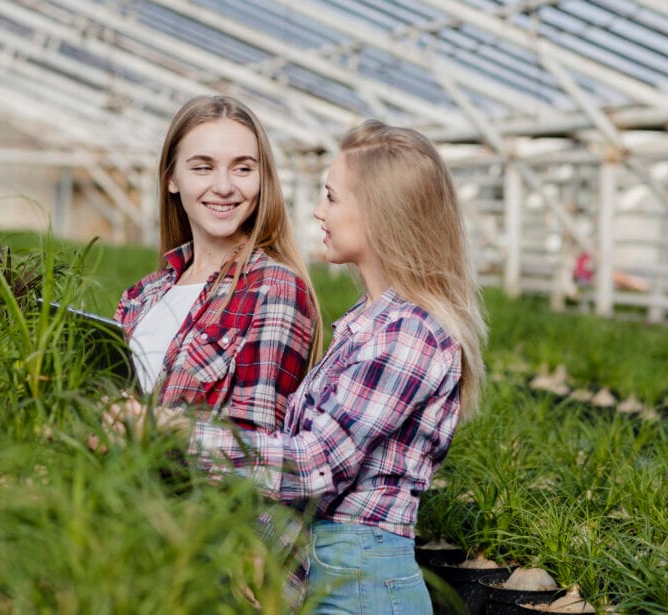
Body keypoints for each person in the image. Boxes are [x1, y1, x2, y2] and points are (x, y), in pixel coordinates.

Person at [166, 120, 487, 613]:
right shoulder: (371, 323)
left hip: (363, 580)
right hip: (333, 565)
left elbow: (315, 463)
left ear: (382, 214)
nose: (318, 211)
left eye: (332, 198)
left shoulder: (410, 333)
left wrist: (178, 433)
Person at [112, 95, 321, 434]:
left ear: (262, 178)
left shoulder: (274, 290)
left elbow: (253, 452)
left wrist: (148, 429)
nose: (224, 187)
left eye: (242, 168)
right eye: (203, 167)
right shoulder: (140, 297)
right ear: (172, 179)